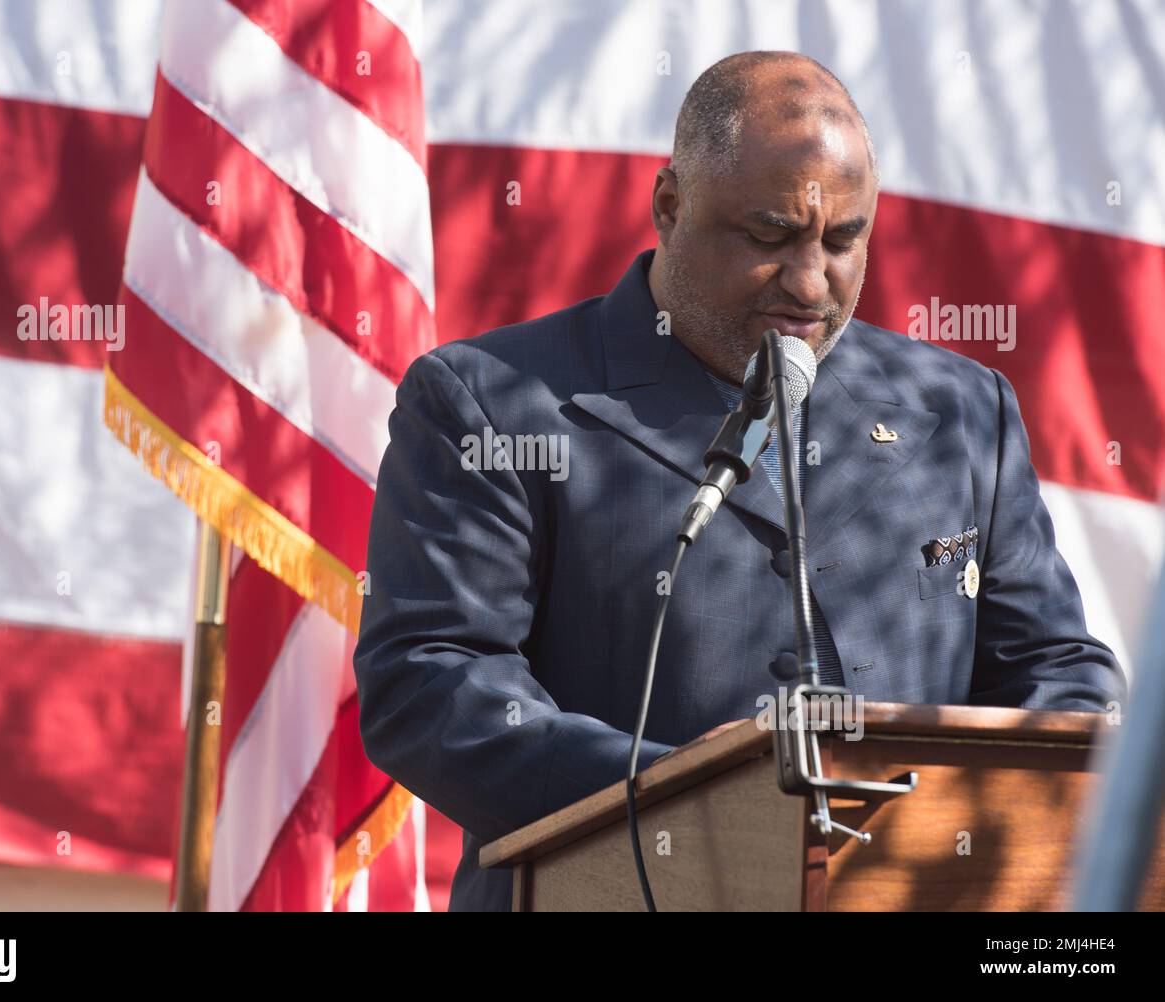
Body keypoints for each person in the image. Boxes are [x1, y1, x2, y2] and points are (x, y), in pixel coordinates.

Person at [353, 51, 1128, 912]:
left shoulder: (960, 408)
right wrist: (700, 802)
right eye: (767, 238)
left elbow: (1056, 668)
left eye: (843, 241)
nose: (810, 283)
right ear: (669, 207)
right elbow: (431, 683)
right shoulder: (491, 403)